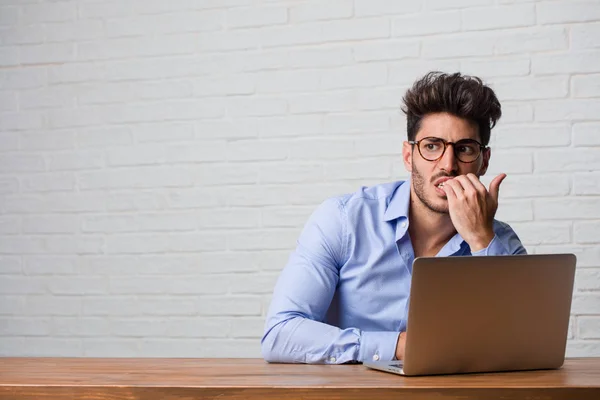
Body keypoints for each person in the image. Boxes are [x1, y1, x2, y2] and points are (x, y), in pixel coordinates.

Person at [261, 71, 527, 364]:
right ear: (407, 156)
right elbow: (280, 334)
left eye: (464, 149)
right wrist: (400, 346)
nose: (448, 165)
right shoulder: (343, 220)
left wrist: (480, 239)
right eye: (431, 146)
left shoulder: (499, 243)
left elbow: (523, 346)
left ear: (484, 161)